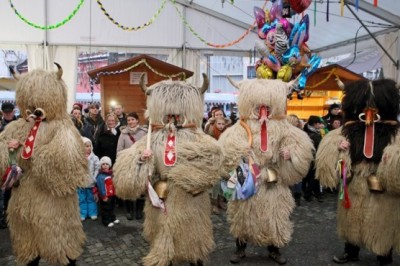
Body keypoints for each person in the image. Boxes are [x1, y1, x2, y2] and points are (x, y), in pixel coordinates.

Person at [113, 75, 222, 266]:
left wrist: (190, 177)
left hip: (191, 200)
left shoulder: (198, 137)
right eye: (169, 114)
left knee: (193, 237)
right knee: (164, 238)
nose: (173, 118)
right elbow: (125, 179)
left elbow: (214, 161)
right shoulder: (151, 137)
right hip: (161, 199)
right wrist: (140, 159)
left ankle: (195, 260)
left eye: (177, 114)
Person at [220, 78, 314, 265]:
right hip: (247, 180)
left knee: (275, 216)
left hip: (273, 180)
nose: (263, 110)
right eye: (258, 105)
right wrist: (239, 153)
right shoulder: (240, 127)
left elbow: (300, 147)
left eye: (267, 105)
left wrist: (290, 153)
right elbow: (225, 150)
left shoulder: (284, 127)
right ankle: (240, 249)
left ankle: (274, 249)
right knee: (242, 216)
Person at [316, 79, 400, 266]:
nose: (371, 111)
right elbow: (327, 152)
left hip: (382, 184)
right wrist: (339, 148)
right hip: (354, 184)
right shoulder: (348, 130)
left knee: (382, 219)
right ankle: (351, 251)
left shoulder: (394, 132)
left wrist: (392, 157)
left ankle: (384, 254)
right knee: (351, 218)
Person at [116, 112, 147, 220]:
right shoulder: (123, 133)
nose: (130, 122)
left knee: (140, 187)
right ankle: (129, 211)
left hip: (141, 163)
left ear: (137, 120)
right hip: (127, 164)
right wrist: (120, 162)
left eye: (132, 119)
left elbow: (147, 147)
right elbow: (119, 149)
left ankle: (139, 211)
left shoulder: (144, 133)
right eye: (128, 120)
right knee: (128, 187)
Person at [0, 102, 18, 229]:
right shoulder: (1, 125)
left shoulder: (19, 123)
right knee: (5, 191)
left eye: (10, 111)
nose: (8, 114)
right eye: (6, 112)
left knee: (16, 190)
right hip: (4, 163)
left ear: (13, 110)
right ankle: (5, 215)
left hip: (17, 162)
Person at [205, 116, 228, 214]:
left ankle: (220, 200)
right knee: (215, 182)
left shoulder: (226, 132)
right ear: (215, 124)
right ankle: (213, 203)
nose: (221, 126)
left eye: (223, 124)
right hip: (213, 159)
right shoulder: (210, 131)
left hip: (223, 158)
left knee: (223, 180)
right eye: (219, 124)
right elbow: (205, 133)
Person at [302, 115, 324, 203]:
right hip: (313, 158)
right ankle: (308, 194)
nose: (320, 125)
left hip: (311, 158)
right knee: (314, 177)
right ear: (315, 124)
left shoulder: (307, 131)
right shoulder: (313, 134)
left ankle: (314, 193)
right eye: (319, 123)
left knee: (311, 176)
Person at [78, 137, 100, 221]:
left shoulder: (94, 158)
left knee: (91, 199)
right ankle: (83, 214)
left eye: (89, 146)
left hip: (91, 183)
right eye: (85, 146)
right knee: (81, 199)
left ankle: (93, 213)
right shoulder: (79, 158)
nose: (87, 148)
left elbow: (97, 168)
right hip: (81, 183)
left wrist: (94, 178)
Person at [95, 156, 119, 227]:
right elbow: (101, 187)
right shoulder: (100, 176)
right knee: (105, 209)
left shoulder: (111, 174)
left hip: (112, 195)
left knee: (112, 207)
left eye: (107, 164)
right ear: (101, 166)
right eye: (103, 164)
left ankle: (112, 218)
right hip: (105, 196)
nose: (105, 166)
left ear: (109, 165)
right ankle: (106, 221)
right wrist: (103, 196)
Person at [287, 114, 303, 206]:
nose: (298, 123)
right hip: (288, 160)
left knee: (298, 179)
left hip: (297, 159)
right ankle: (290, 198)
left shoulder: (300, 133)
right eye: (296, 121)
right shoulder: (285, 133)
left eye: (298, 121)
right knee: (289, 179)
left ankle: (297, 197)